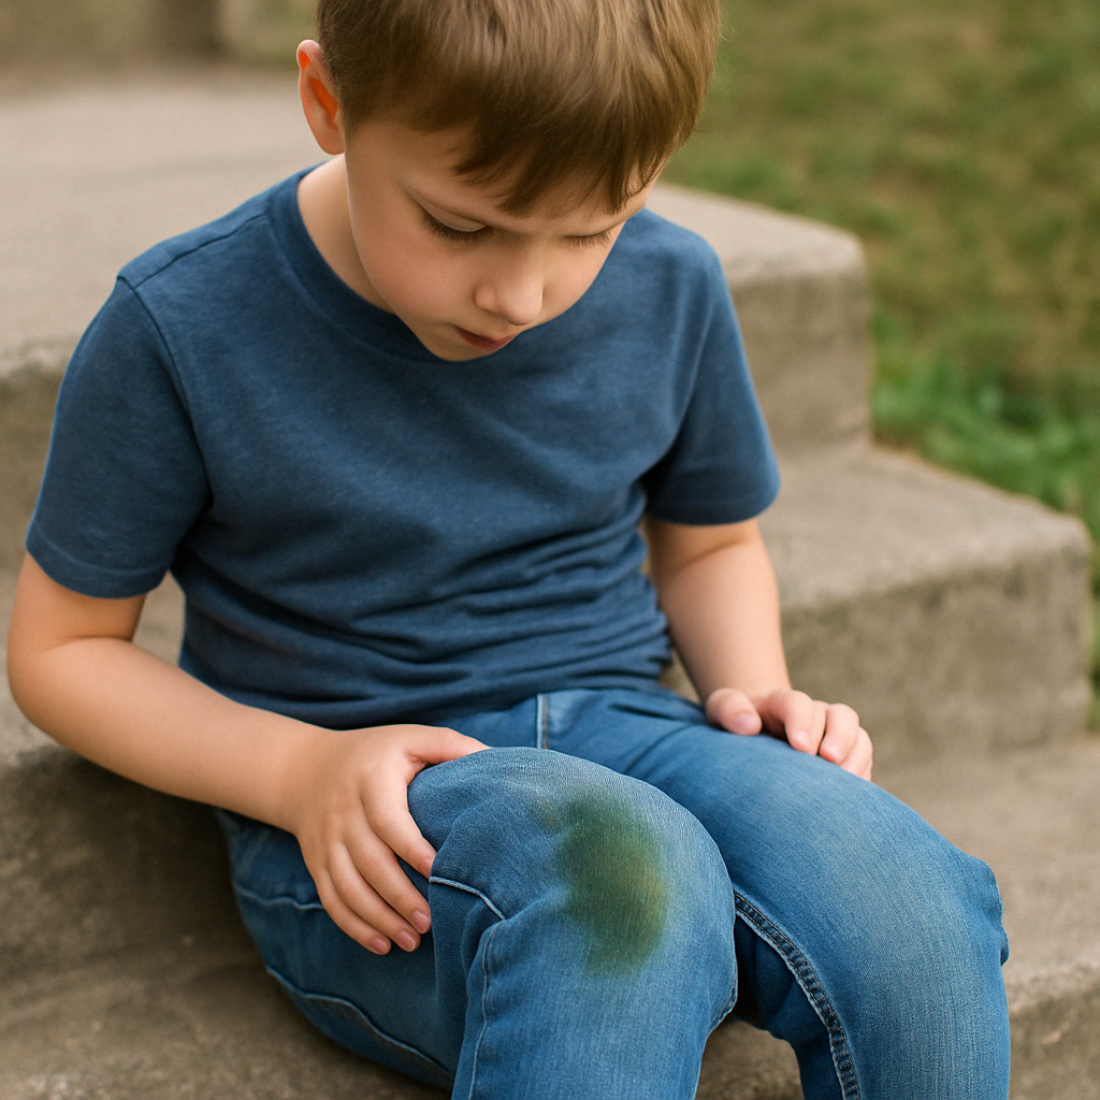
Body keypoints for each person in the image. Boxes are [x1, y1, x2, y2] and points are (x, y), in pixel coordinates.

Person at [6, 1, 1010, 1096]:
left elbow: (710, 542)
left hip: (628, 733)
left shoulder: (672, 284)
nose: (521, 295)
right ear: (326, 104)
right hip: (373, 818)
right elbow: (62, 650)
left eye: (589, 231)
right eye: (459, 225)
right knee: (625, 881)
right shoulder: (180, 326)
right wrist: (295, 772)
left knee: (900, 888)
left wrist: (754, 691)